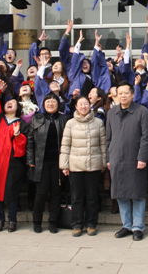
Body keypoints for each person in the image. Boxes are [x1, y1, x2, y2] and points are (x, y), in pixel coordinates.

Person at [106, 82, 148, 241]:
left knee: (137, 194)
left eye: (126, 93)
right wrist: (108, 158)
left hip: (135, 158)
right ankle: (126, 225)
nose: (123, 96)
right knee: (121, 193)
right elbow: (108, 138)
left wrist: (142, 157)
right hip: (117, 158)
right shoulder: (111, 112)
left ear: (132, 95)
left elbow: (146, 137)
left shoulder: (142, 111)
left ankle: (138, 227)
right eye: (120, 93)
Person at [0, 80, 29, 232]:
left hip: (12, 164)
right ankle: (0, 219)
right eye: (7, 102)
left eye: (13, 102)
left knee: (12, 193)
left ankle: (12, 220)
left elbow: (21, 150)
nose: (9, 103)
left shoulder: (22, 124)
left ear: (18, 107)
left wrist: (17, 136)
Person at [60, 96, 107, 236]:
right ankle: (77, 224)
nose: (83, 106)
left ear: (90, 105)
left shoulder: (98, 122)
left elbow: (103, 144)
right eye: (80, 104)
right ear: (76, 107)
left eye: (86, 104)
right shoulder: (70, 123)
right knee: (76, 197)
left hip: (94, 165)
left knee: (92, 197)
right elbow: (65, 145)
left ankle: (91, 224)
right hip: (75, 166)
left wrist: (103, 162)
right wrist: (64, 165)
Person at [27, 93, 67, 233]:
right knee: (41, 193)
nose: (51, 104)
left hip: (58, 162)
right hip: (41, 162)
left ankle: (53, 222)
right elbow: (30, 141)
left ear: (58, 104)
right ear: (43, 104)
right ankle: (37, 222)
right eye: (48, 101)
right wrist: (30, 160)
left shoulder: (63, 119)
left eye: (53, 101)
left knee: (56, 193)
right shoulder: (37, 118)